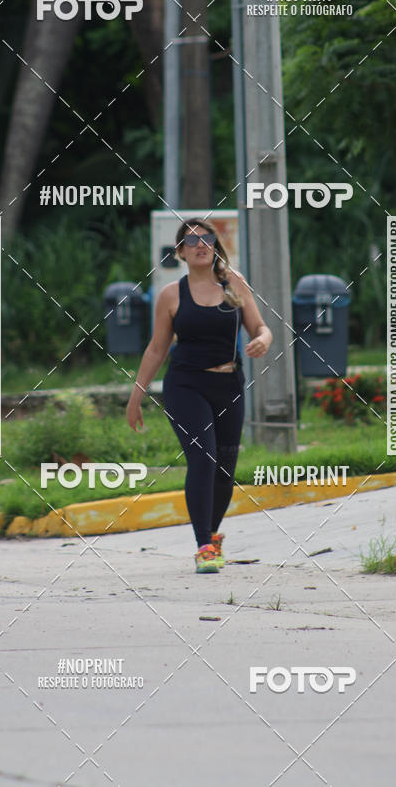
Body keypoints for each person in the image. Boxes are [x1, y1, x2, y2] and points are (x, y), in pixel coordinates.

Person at [126, 218, 273, 573]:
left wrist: (264, 339)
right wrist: (136, 396)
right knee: (203, 459)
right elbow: (157, 348)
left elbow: (259, 326)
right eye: (191, 241)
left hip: (229, 384)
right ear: (180, 252)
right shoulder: (171, 295)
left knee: (225, 468)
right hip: (186, 386)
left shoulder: (234, 283)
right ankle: (204, 545)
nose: (200, 245)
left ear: (215, 247)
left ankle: (212, 535)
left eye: (207, 239)